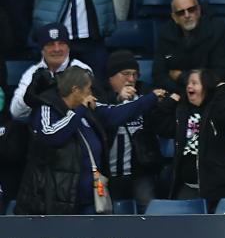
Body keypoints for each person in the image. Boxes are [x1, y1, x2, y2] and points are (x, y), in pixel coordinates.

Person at [15, 66, 161, 215]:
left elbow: (115, 113)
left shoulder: (88, 108)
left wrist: (151, 99)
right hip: (56, 201)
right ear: (75, 90)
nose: (92, 94)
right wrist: (78, 112)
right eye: (89, 89)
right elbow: (52, 135)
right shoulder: (47, 108)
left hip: (90, 198)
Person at [150, 68, 225, 210]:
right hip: (188, 187)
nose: (189, 86)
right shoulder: (182, 112)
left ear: (206, 87)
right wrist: (170, 101)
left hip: (218, 189)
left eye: (194, 83)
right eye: (188, 83)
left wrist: (222, 88)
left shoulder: (217, 110)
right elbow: (159, 125)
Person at [101, 49, 161, 212]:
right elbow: (104, 119)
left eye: (135, 74)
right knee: (109, 215)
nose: (131, 79)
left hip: (140, 170)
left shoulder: (146, 93)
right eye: (126, 74)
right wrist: (118, 99)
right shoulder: (101, 97)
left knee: (148, 211)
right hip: (108, 172)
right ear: (111, 76)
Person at [152, 0, 225, 96]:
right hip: (178, 95)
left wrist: (181, 76)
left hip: (213, 95)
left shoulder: (217, 29)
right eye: (181, 12)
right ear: (174, 18)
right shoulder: (166, 34)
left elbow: (222, 73)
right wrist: (184, 92)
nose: (187, 15)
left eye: (191, 10)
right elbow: (158, 74)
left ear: (198, 10)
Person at [10, 22, 94, 120]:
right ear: (42, 49)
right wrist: (28, 98)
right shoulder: (32, 73)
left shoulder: (82, 70)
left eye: (61, 43)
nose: (57, 49)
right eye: (50, 44)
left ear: (68, 47)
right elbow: (15, 112)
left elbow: (89, 106)